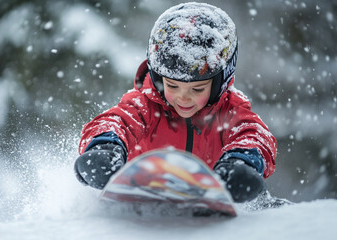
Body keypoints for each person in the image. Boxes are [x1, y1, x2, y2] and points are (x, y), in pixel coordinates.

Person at [74, 2, 277, 203]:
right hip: (143, 195)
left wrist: (241, 162)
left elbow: (254, 135)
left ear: (219, 83)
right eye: (172, 86)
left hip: (218, 202)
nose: (183, 97)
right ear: (158, 78)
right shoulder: (144, 104)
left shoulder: (229, 111)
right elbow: (117, 120)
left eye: (197, 89)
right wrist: (105, 147)